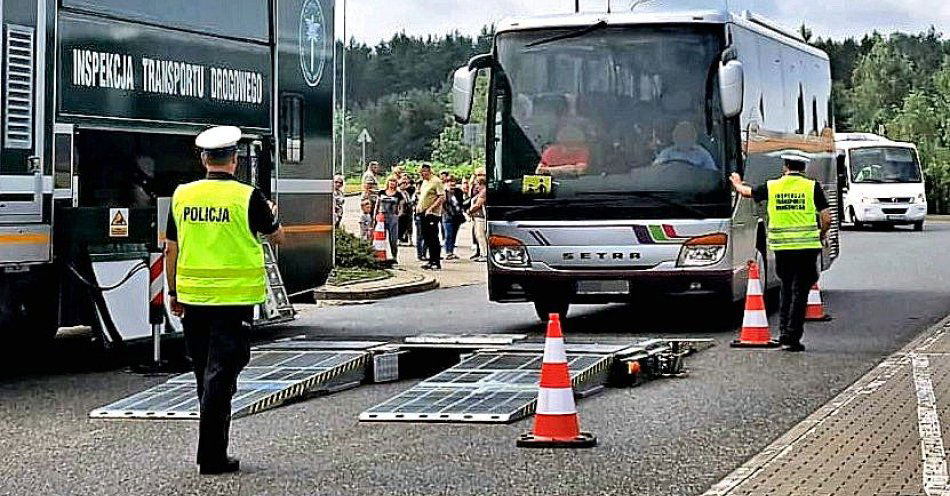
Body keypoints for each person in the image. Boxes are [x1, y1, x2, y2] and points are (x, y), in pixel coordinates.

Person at [164, 126, 284, 475]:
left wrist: (173, 292)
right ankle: (212, 455)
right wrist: (272, 213)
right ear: (235, 160)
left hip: (193, 299)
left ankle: (212, 448)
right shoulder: (249, 197)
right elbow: (278, 238)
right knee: (222, 374)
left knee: (206, 373)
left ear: (204, 159)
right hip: (234, 302)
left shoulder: (182, 195)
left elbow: (170, 248)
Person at [730, 155, 832, 352]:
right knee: (800, 292)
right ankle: (792, 336)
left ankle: (784, 331)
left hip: (782, 248)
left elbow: (746, 192)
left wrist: (736, 182)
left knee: (785, 289)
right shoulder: (812, 187)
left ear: (785, 167)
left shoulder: (773, 186)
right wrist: (820, 234)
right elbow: (826, 219)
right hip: (807, 249)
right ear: (803, 168)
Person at [416, 163, 445, 270]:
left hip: (432, 213)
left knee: (433, 237)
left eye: (423, 172)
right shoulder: (424, 182)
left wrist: (431, 208)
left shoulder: (436, 181)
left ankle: (436, 261)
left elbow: (441, 197)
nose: (421, 174)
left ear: (428, 171)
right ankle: (430, 259)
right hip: (422, 212)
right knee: (426, 237)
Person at [375, 175, 405, 259]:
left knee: (393, 238)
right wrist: (375, 215)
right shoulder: (381, 192)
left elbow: (402, 207)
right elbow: (377, 205)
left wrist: (398, 216)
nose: (392, 183)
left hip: (393, 216)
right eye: (390, 181)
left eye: (394, 181)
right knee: (380, 237)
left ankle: (394, 256)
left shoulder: (399, 194)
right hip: (382, 216)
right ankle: (379, 255)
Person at [442, 176, 466, 261]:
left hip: (457, 216)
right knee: (448, 234)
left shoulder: (458, 192)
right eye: (449, 182)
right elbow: (443, 204)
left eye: (453, 182)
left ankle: (451, 251)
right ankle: (448, 252)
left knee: (454, 234)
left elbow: (461, 202)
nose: (452, 184)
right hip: (448, 216)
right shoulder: (444, 192)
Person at [468, 177, 489, 262]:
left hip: (481, 217)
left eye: (477, 184)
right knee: (478, 236)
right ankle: (482, 253)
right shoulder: (481, 192)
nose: (476, 186)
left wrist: (469, 211)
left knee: (481, 236)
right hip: (477, 217)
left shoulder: (483, 192)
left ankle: (484, 254)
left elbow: (478, 205)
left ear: (481, 184)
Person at [397, 177, 415, 245]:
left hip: (408, 210)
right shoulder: (398, 192)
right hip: (401, 210)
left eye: (406, 183)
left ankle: (410, 240)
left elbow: (409, 200)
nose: (405, 185)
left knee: (409, 226)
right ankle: (399, 239)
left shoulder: (406, 192)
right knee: (400, 226)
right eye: (403, 184)